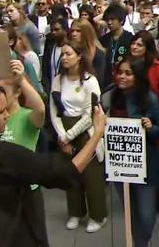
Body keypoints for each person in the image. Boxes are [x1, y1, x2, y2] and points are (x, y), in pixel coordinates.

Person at [0, 81, 107, 246]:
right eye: (1, 112)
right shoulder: (2, 155)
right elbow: (64, 171)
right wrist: (97, 133)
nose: (7, 115)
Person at [102, 58, 159, 246]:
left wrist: (150, 127)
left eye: (128, 73)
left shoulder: (150, 99)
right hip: (120, 166)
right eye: (120, 72)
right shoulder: (111, 95)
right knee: (130, 213)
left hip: (147, 166)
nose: (122, 76)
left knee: (146, 216)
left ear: (138, 77)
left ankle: (141, 240)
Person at [50, 41, 107, 233]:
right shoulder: (58, 79)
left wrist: (69, 135)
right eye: (62, 54)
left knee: (92, 177)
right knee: (70, 175)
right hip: (64, 129)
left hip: (86, 131)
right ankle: (75, 212)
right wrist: (61, 135)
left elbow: (91, 113)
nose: (64, 57)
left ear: (79, 56)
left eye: (68, 54)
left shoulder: (90, 81)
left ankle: (98, 215)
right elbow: (53, 109)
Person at [0, 60, 48, 245]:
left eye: (3, 91)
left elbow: (40, 108)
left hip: (27, 191)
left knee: (35, 237)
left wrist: (21, 79)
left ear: (16, 93)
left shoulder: (26, 116)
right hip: (1, 191)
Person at [129, 30, 159, 111]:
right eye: (133, 43)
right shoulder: (124, 64)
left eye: (139, 45)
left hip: (151, 112)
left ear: (147, 48)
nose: (134, 47)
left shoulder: (158, 67)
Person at [100, 3, 133, 88]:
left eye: (112, 19)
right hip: (106, 80)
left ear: (121, 20)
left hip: (123, 80)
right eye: (107, 20)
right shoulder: (103, 39)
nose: (109, 23)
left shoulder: (130, 38)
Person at [42, 18, 69, 93]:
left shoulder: (71, 49)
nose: (53, 32)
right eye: (52, 30)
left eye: (57, 29)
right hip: (51, 90)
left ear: (65, 30)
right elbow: (45, 71)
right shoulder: (50, 47)